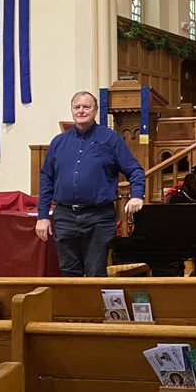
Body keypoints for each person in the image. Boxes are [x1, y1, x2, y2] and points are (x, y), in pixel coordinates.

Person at [35, 91, 146, 277]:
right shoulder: (58, 142)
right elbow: (46, 179)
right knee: (69, 273)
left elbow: (134, 170)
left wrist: (136, 195)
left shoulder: (111, 139)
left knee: (95, 272)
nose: (81, 111)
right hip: (65, 216)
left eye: (86, 107)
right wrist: (42, 216)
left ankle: (96, 307)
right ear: (71, 110)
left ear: (95, 111)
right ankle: (76, 307)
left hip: (98, 217)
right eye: (77, 107)